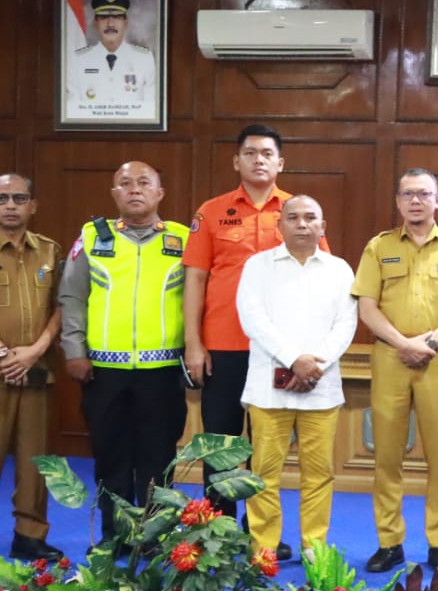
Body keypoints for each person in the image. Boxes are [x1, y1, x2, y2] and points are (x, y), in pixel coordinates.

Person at [183, 123, 308, 563]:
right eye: (250, 152)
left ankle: (261, 534)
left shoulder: (297, 212)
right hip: (223, 346)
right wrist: (193, 344)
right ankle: (216, 530)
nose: (259, 160)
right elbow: (195, 280)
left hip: (276, 350)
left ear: (280, 163)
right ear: (236, 161)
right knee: (220, 443)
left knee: (266, 449)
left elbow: (318, 277)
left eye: (267, 153)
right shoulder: (212, 212)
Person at [353, 169, 438, 573]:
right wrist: (403, 343)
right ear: (398, 201)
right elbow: (366, 306)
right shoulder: (379, 247)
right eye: (408, 194)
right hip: (390, 357)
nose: (416, 201)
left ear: (437, 201)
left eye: (424, 194)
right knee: (386, 455)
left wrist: (428, 343)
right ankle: (390, 542)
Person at [57, 162, 188, 538]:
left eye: (144, 183)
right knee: (111, 457)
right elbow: (72, 296)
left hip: (162, 373)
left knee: (158, 458)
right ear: (114, 194)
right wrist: (73, 351)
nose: (135, 189)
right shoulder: (92, 237)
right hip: (103, 371)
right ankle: (116, 538)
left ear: (159, 193)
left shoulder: (181, 239)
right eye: (125, 184)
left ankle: (152, 537)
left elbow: (199, 300)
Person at [234, 196, 357, 560]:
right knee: (263, 475)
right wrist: (294, 360)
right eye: (293, 218)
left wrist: (313, 365)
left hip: (321, 389)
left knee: (319, 475)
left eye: (310, 218)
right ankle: (264, 550)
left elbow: (345, 324)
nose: (302, 224)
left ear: (323, 226)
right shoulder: (258, 266)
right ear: (280, 225)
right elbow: (252, 319)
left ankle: (314, 549)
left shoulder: (340, 270)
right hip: (267, 392)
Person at [0, 173, 63, 560]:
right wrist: (5, 357)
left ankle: (29, 535)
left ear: (32, 205)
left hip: (37, 369)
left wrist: (35, 351)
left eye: (19, 198)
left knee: (34, 459)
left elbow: (62, 306)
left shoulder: (51, 252)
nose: (10, 205)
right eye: (3, 198)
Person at [64, 0, 157, 114]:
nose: (110, 24)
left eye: (117, 17)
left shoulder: (144, 59)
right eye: (103, 17)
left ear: (125, 22)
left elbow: (151, 109)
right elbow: (72, 109)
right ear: (95, 23)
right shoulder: (78, 60)